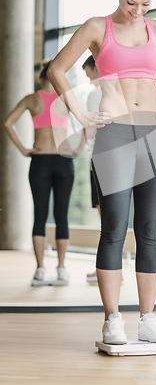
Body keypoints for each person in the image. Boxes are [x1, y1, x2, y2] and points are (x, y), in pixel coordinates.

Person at [47, 0, 156, 345]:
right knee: (113, 230)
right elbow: (58, 69)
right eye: (131, 3)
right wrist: (80, 114)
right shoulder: (97, 27)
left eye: (146, 4)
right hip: (114, 136)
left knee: (149, 231)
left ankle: (148, 318)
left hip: (155, 135)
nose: (138, 10)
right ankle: (112, 319)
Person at [4, 59, 80, 284]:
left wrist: (23, 149)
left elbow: (8, 122)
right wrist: (77, 148)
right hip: (64, 162)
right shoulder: (66, 98)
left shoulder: (31, 99)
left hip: (39, 161)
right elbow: (87, 122)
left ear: (40, 78)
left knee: (39, 215)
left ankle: (39, 269)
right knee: (61, 216)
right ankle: (62, 268)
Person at [82, 55, 102, 285]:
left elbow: (91, 130)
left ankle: (106, 270)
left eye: (90, 74)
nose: (89, 81)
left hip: (98, 160)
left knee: (105, 220)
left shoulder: (94, 95)